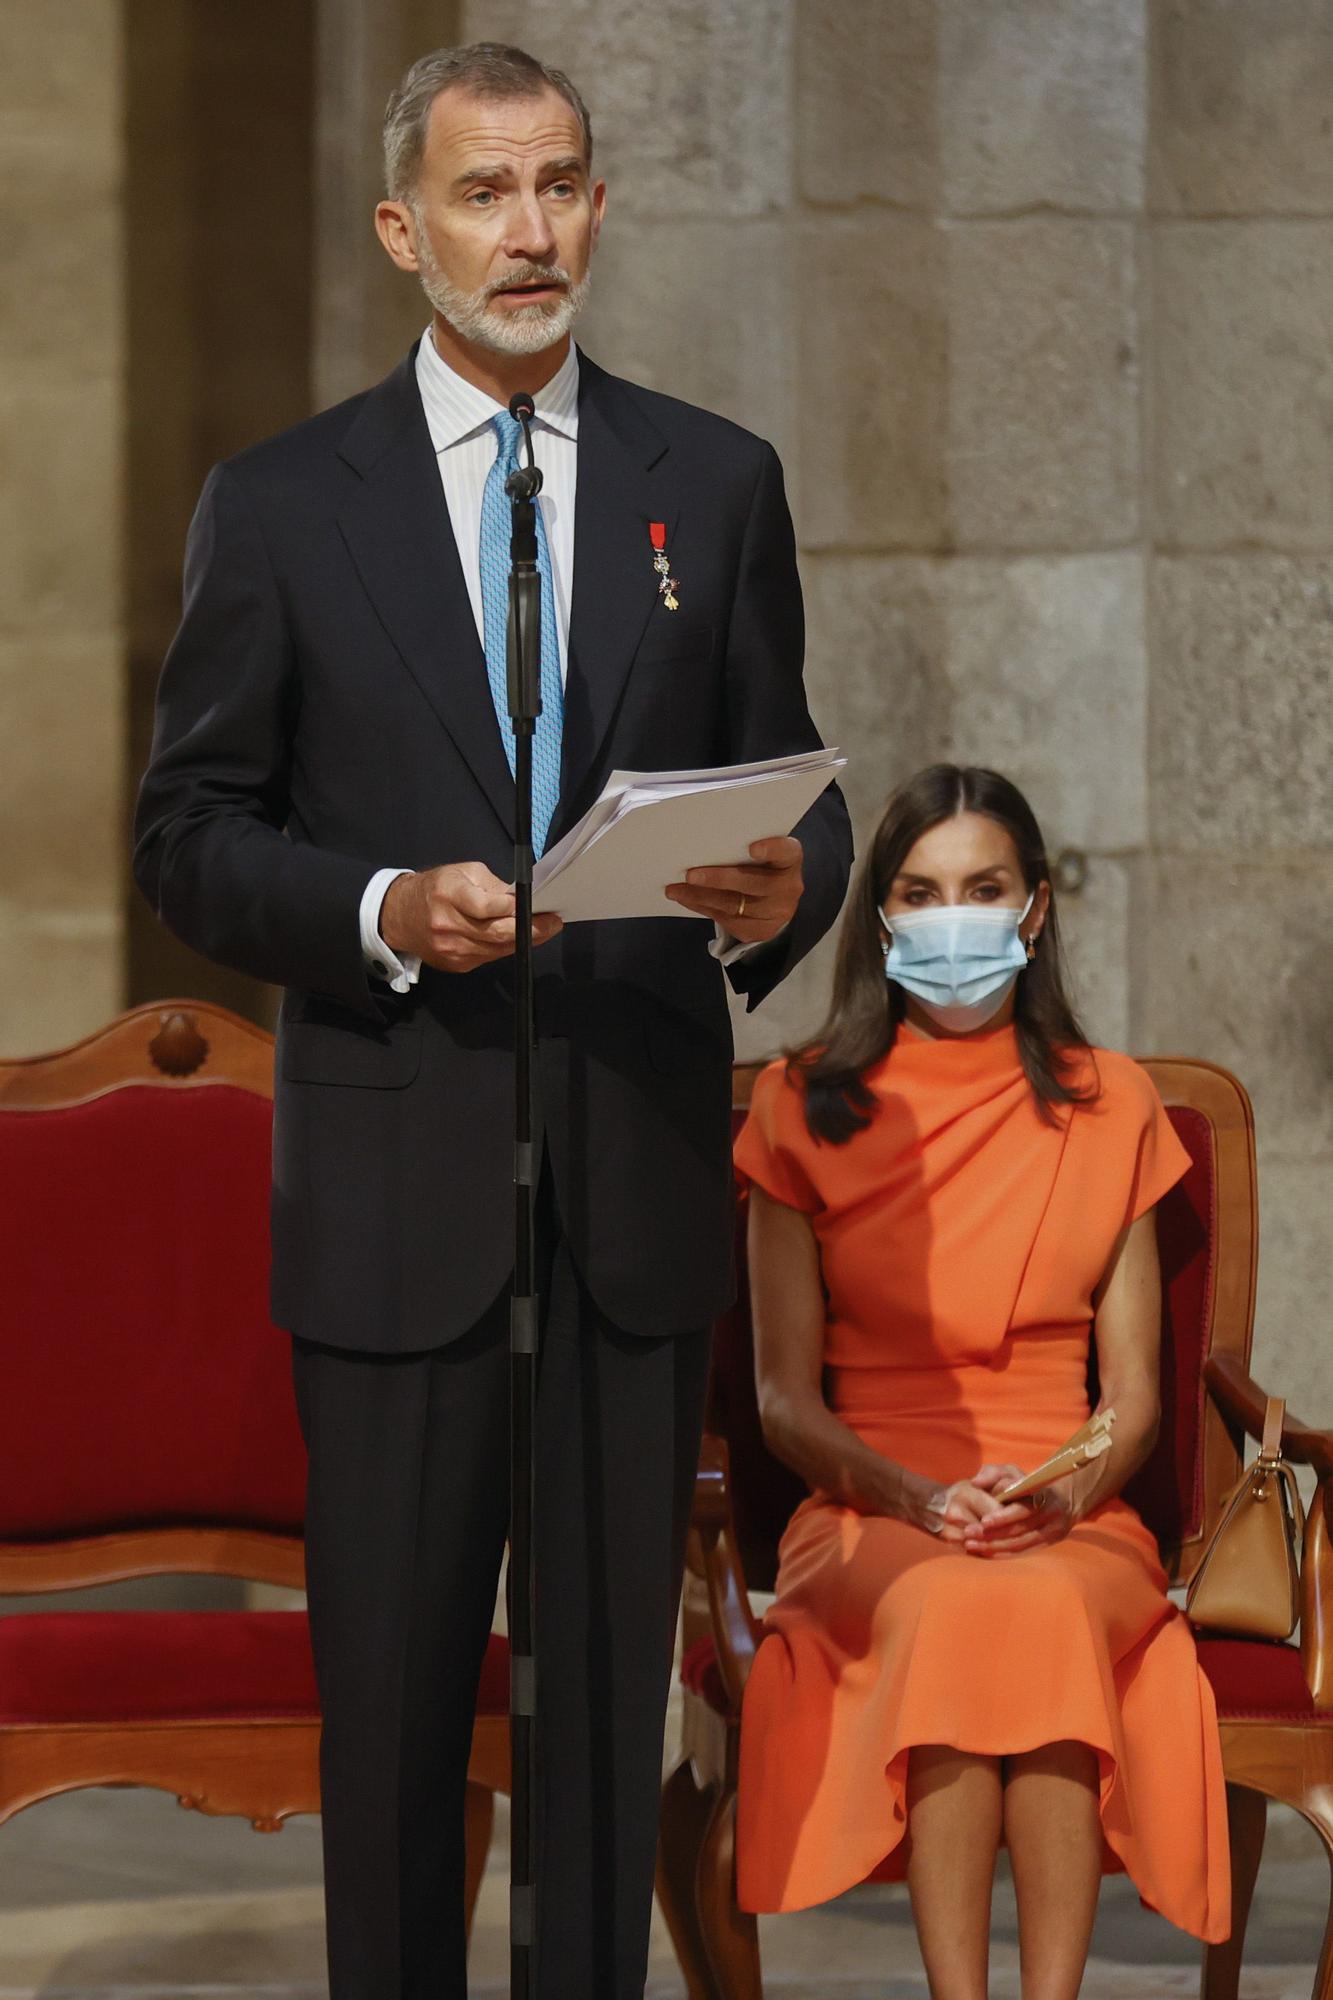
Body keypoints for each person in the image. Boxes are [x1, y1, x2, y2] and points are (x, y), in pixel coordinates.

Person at [132, 41, 851, 2000]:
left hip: (626, 1201)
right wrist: (377, 905)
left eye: (556, 186)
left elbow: (791, 785)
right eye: (480, 192)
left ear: (599, 206)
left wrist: (794, 885)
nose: (525, 230)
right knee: (393, 1730)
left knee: (606, 1727)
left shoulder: (715, 483)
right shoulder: (280, 507)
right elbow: (188, 837)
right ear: (402, 229)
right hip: (395, 1198)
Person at [733, 765, 1229, 2000]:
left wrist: (1063, 1493)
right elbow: (783, 1399)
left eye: (981, 887)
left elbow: (1132, 1400)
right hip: (865, 1509)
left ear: (1035, 908)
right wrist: (915, 1498)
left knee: (1038, 1604)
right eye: (920, 890)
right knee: (961, 1608)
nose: (951, 915)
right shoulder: (798, 1103)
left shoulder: (1111, 1104)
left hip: (1067, 1503)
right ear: (882, 919)